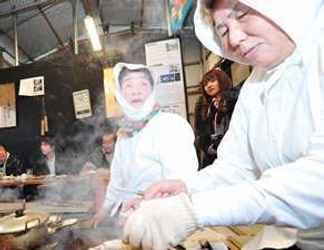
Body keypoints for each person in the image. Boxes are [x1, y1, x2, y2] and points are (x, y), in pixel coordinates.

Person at [121, 0, 324, 250]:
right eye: (223, 30)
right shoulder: (255, 85)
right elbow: (237, 167)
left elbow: (318, 179)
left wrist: (193, 210)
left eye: (244, 14)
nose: (235, 38)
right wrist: (185, 189)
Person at [91, 62, 198, 226]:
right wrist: (104, 210)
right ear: (119, 93)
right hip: (128, 218)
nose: (136, 90)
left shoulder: (171, 125)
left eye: (143, 83)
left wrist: (144, 204)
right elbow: (117, 180)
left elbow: (180, 184)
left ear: (152, 90)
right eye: (128, 85)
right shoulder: (123, 133)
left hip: (163, 220)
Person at [194, 67, 238, 168]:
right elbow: (199, 133)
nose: (209, 85)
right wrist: (209, 148)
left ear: (222, 80)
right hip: (212, 158)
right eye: (205, 84)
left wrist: (227, 98)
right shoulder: (202, 105)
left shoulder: (235, 98)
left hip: (234, 155)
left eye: (213, 81)